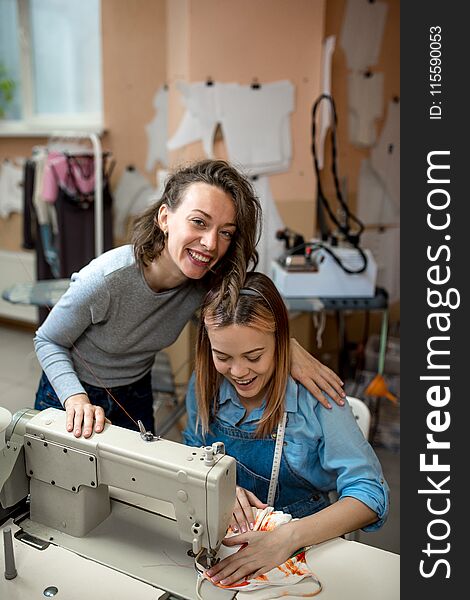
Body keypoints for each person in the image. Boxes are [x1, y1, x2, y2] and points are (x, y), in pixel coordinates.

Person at [34, 159, 345, 439]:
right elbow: (48, 340)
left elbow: (248, 307)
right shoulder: (104, 280)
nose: (210, 243)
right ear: (165, 218)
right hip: (71, 392)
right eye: (199, 222)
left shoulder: (205, 282)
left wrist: (286, 345)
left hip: (136, 392)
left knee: (129, 495)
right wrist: (75, 398)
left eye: (225, 232)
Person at [183, 271, 389, 586]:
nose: (238, 372)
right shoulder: (204, 385)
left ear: (282, 342)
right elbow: (190, 455)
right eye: (222, 357)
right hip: (229, 542)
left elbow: (370, 495)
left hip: (303, 546)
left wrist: (288, 537)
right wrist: (216, 484)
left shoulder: (317, 398)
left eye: (254, 356)